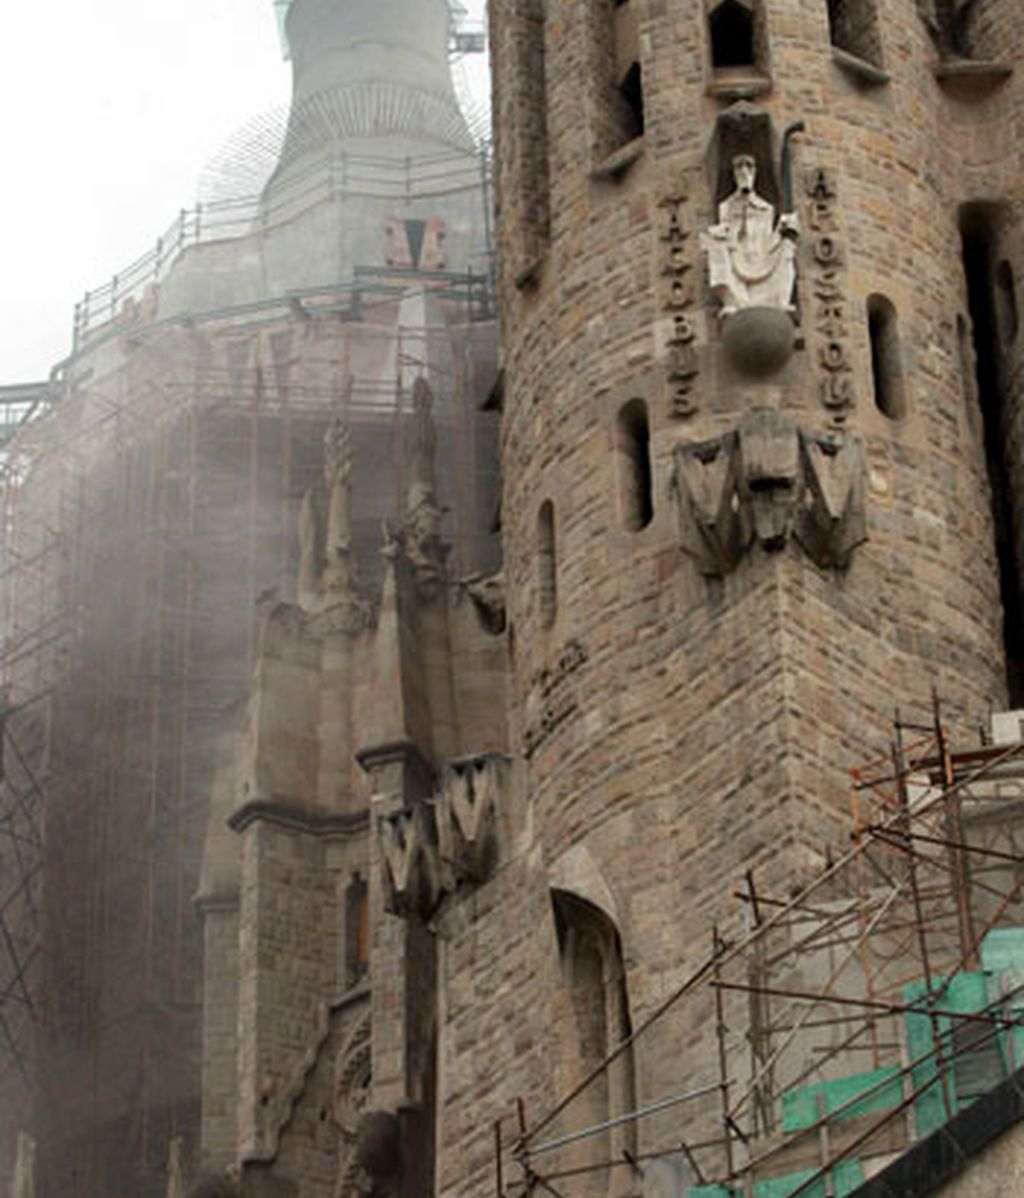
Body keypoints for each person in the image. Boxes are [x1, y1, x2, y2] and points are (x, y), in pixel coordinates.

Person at [701, 154, 799, 316]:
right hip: (736, 256)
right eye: (739, 167)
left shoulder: (765, 207)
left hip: (763, 259)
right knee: (715, 244)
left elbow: (768, 240)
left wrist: (783, 229)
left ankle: (780, 300)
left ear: (755, 171)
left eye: (749, 166)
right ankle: (733, 300)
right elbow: (725, 231)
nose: (744, 171)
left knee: (787, 246)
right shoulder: (726, 206)